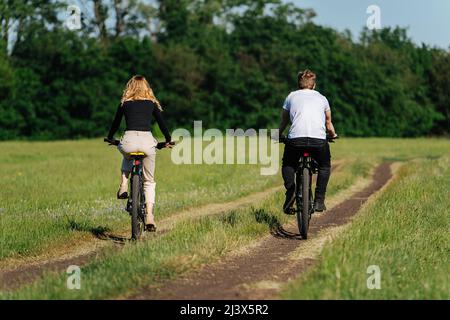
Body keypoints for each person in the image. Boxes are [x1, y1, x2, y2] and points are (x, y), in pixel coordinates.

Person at [106, 75, 172, 231]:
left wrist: (110, 137)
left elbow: (115, 123)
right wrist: (168, 139)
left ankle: (123, 184)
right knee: (149, 181)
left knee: (127, 154)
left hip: (128, 140)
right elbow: (162, 124)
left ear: (130, 87)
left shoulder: (124, 103)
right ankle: (149, 215)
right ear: (146, 87)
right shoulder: (151, 103)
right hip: (147, 142)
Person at [278, 69, 337, 214]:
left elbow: (284, 121)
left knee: (288, 163)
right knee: (324, 166)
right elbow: (328, 124)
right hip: (318, 141)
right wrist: (333, 135)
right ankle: (319, 200)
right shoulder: (322, 98)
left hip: (296, 140)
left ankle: (291, 191)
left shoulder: (291, 97)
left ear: (299, 84)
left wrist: (277, 134)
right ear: (314, 85)